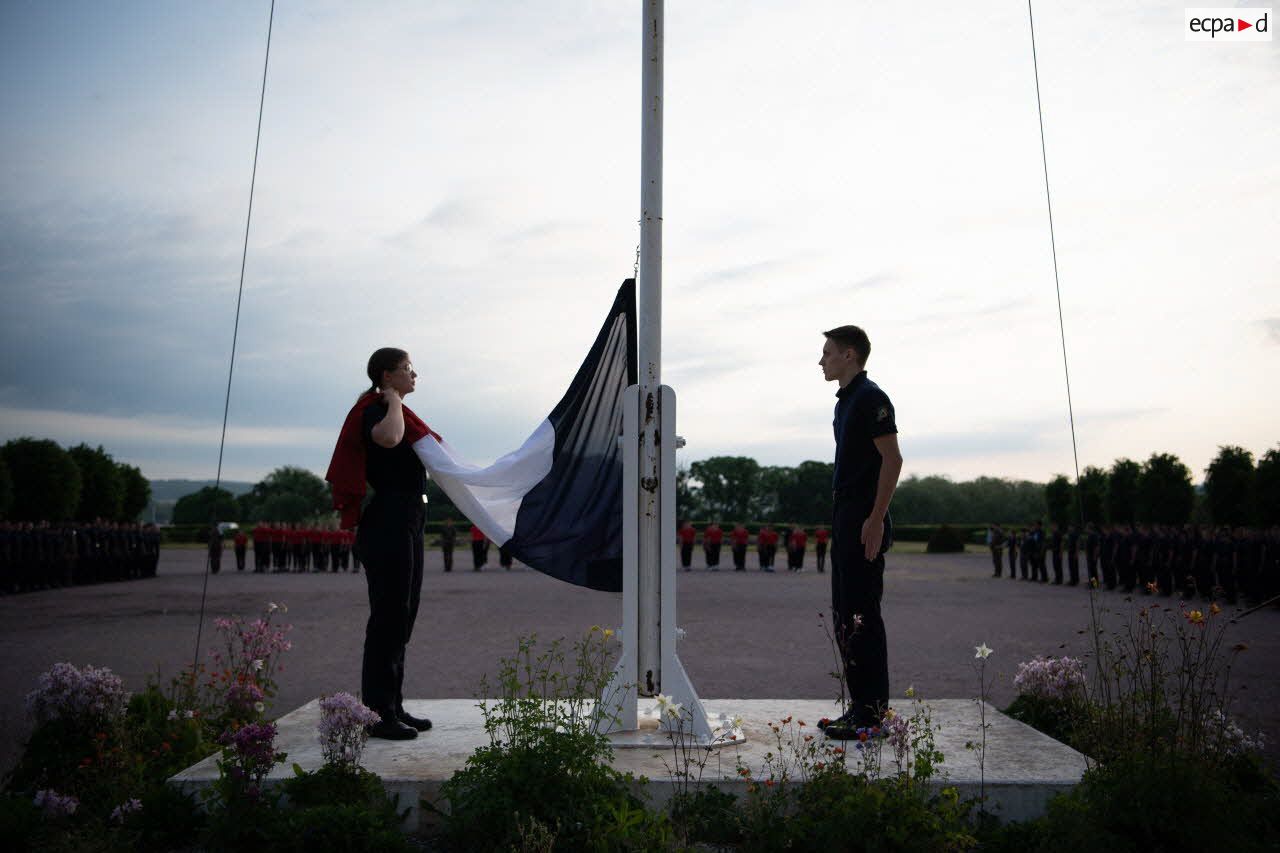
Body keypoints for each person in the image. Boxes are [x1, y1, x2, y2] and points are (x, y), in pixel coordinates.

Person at [325, 347, 436, 740]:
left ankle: (394, 705)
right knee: (388, 617)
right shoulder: (376, 409)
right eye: (407, 369)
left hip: (409, 517)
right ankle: (378, 714)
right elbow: (388, 440)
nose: (414, 374)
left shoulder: (395, 409)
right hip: (388, 518)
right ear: (387, 376)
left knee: (403, 616)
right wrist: (392, 402)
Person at [815, 325, 902, 739]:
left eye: (828, 353)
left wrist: (876, 517)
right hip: (846, 512)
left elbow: (893, 460)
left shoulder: (871, 398)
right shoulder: (845, 402)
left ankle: (872, 716)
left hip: (863, 516)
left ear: (849, 355)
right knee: (845, 616)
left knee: (863, 615)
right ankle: (860, 709)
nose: (821, 360)